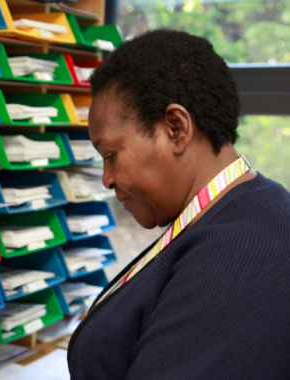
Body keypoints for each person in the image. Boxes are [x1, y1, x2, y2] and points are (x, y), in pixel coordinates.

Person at [67, 29, 290, 379]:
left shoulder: (240, 256)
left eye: (111, 155)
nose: (106, 178)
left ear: (175, 128)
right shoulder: (229, 213)